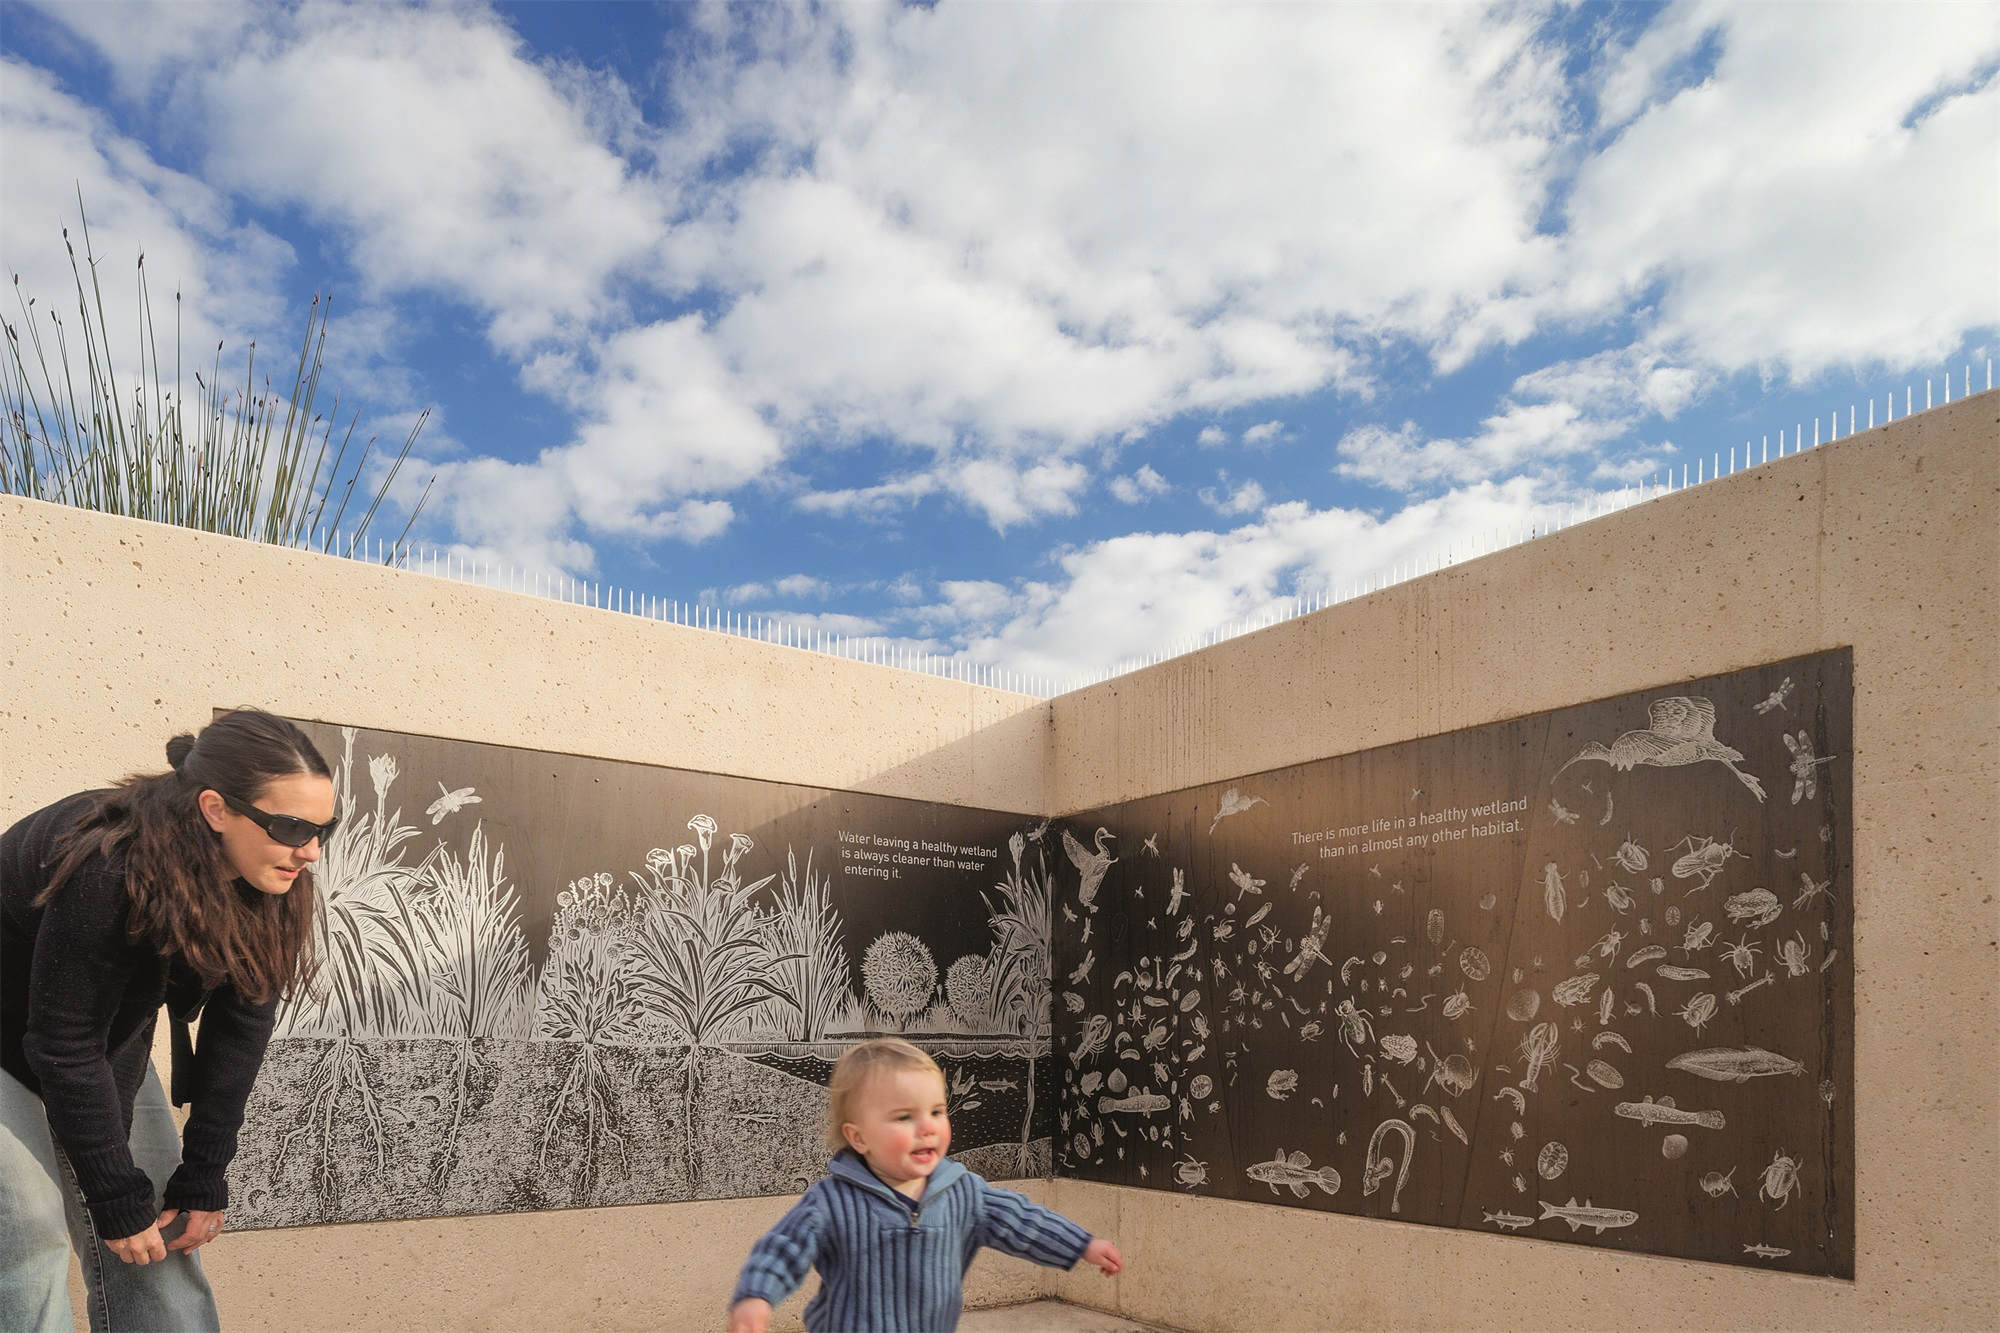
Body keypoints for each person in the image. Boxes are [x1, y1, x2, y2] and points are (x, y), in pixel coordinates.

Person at [1, 709, 333, 1333]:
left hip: (95, 1036)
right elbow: (63, 1043)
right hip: (24, 1032)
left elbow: (240, 1032)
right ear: (215, 809)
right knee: (26, 1238)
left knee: (161, 1232)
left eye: (323, 828)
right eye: (291, 826)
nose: (310, 851)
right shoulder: (111, 866)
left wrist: (204, 1173)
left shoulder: (277, 882)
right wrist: (110, 1193)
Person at [729, 1037, 1123, 1333]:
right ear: (859, 1137)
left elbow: (1022, 1221)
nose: (927, 1127)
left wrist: (1081, 1244)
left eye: (936, 1111)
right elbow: (782, 1248)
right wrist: (755, 1297)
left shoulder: (962, 1192)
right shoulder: (832, 1202)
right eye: (904, 1117)